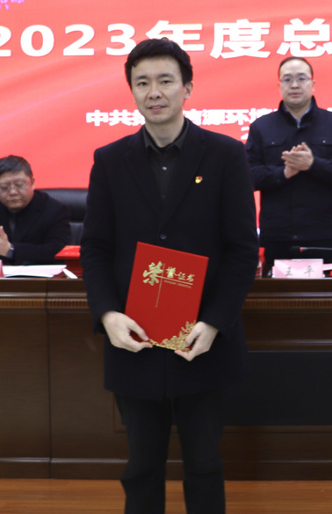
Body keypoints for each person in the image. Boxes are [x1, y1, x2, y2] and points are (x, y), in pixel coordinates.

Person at [80, 38, 258, 514]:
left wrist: (214, 322)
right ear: (132, 92)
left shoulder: (224, 155)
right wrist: (107, 315)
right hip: (134, 337)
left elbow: (243, 250)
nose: (153, 92)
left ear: (187, 88)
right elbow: (95, 248)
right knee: (141, 465)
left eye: (165, 81)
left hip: (202, 339)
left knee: (204, 463)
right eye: (142, 83)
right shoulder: (110, 160)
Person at [245, 56, 332, 271]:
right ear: (279, 86)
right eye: (287, 79)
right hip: (277, 236)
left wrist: (313, 164)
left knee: (324, 292)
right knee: (276, 292)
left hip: (322, 235)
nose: (295, 85)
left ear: (312, 84)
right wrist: (284, 173)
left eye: (301, 78)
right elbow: (248, 177)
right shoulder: (261, 127)